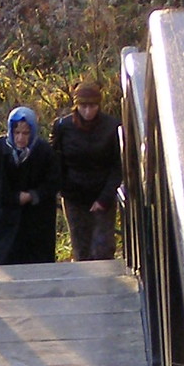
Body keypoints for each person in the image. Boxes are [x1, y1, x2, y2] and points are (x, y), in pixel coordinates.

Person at [0, 106, 58, 265]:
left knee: (35, 264)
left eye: (26, 133)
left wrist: (32, 195)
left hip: (36, 220)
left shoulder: (44, 151)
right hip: (5, 214)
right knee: (4, 260)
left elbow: (53, 182)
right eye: (17, 133)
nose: (20, 138)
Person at [52, 80, 122, 260]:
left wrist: (105, 198)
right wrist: (64, 189)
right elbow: (56, 161)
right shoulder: (63, 127)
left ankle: (106, 285)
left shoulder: (112, 127)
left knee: (103, 248)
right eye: (83, 106)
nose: (88, 111)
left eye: (92, 106)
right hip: (74, 196)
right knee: (80, 247)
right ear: (76, 106)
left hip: (102, 193)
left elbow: (117, 165)